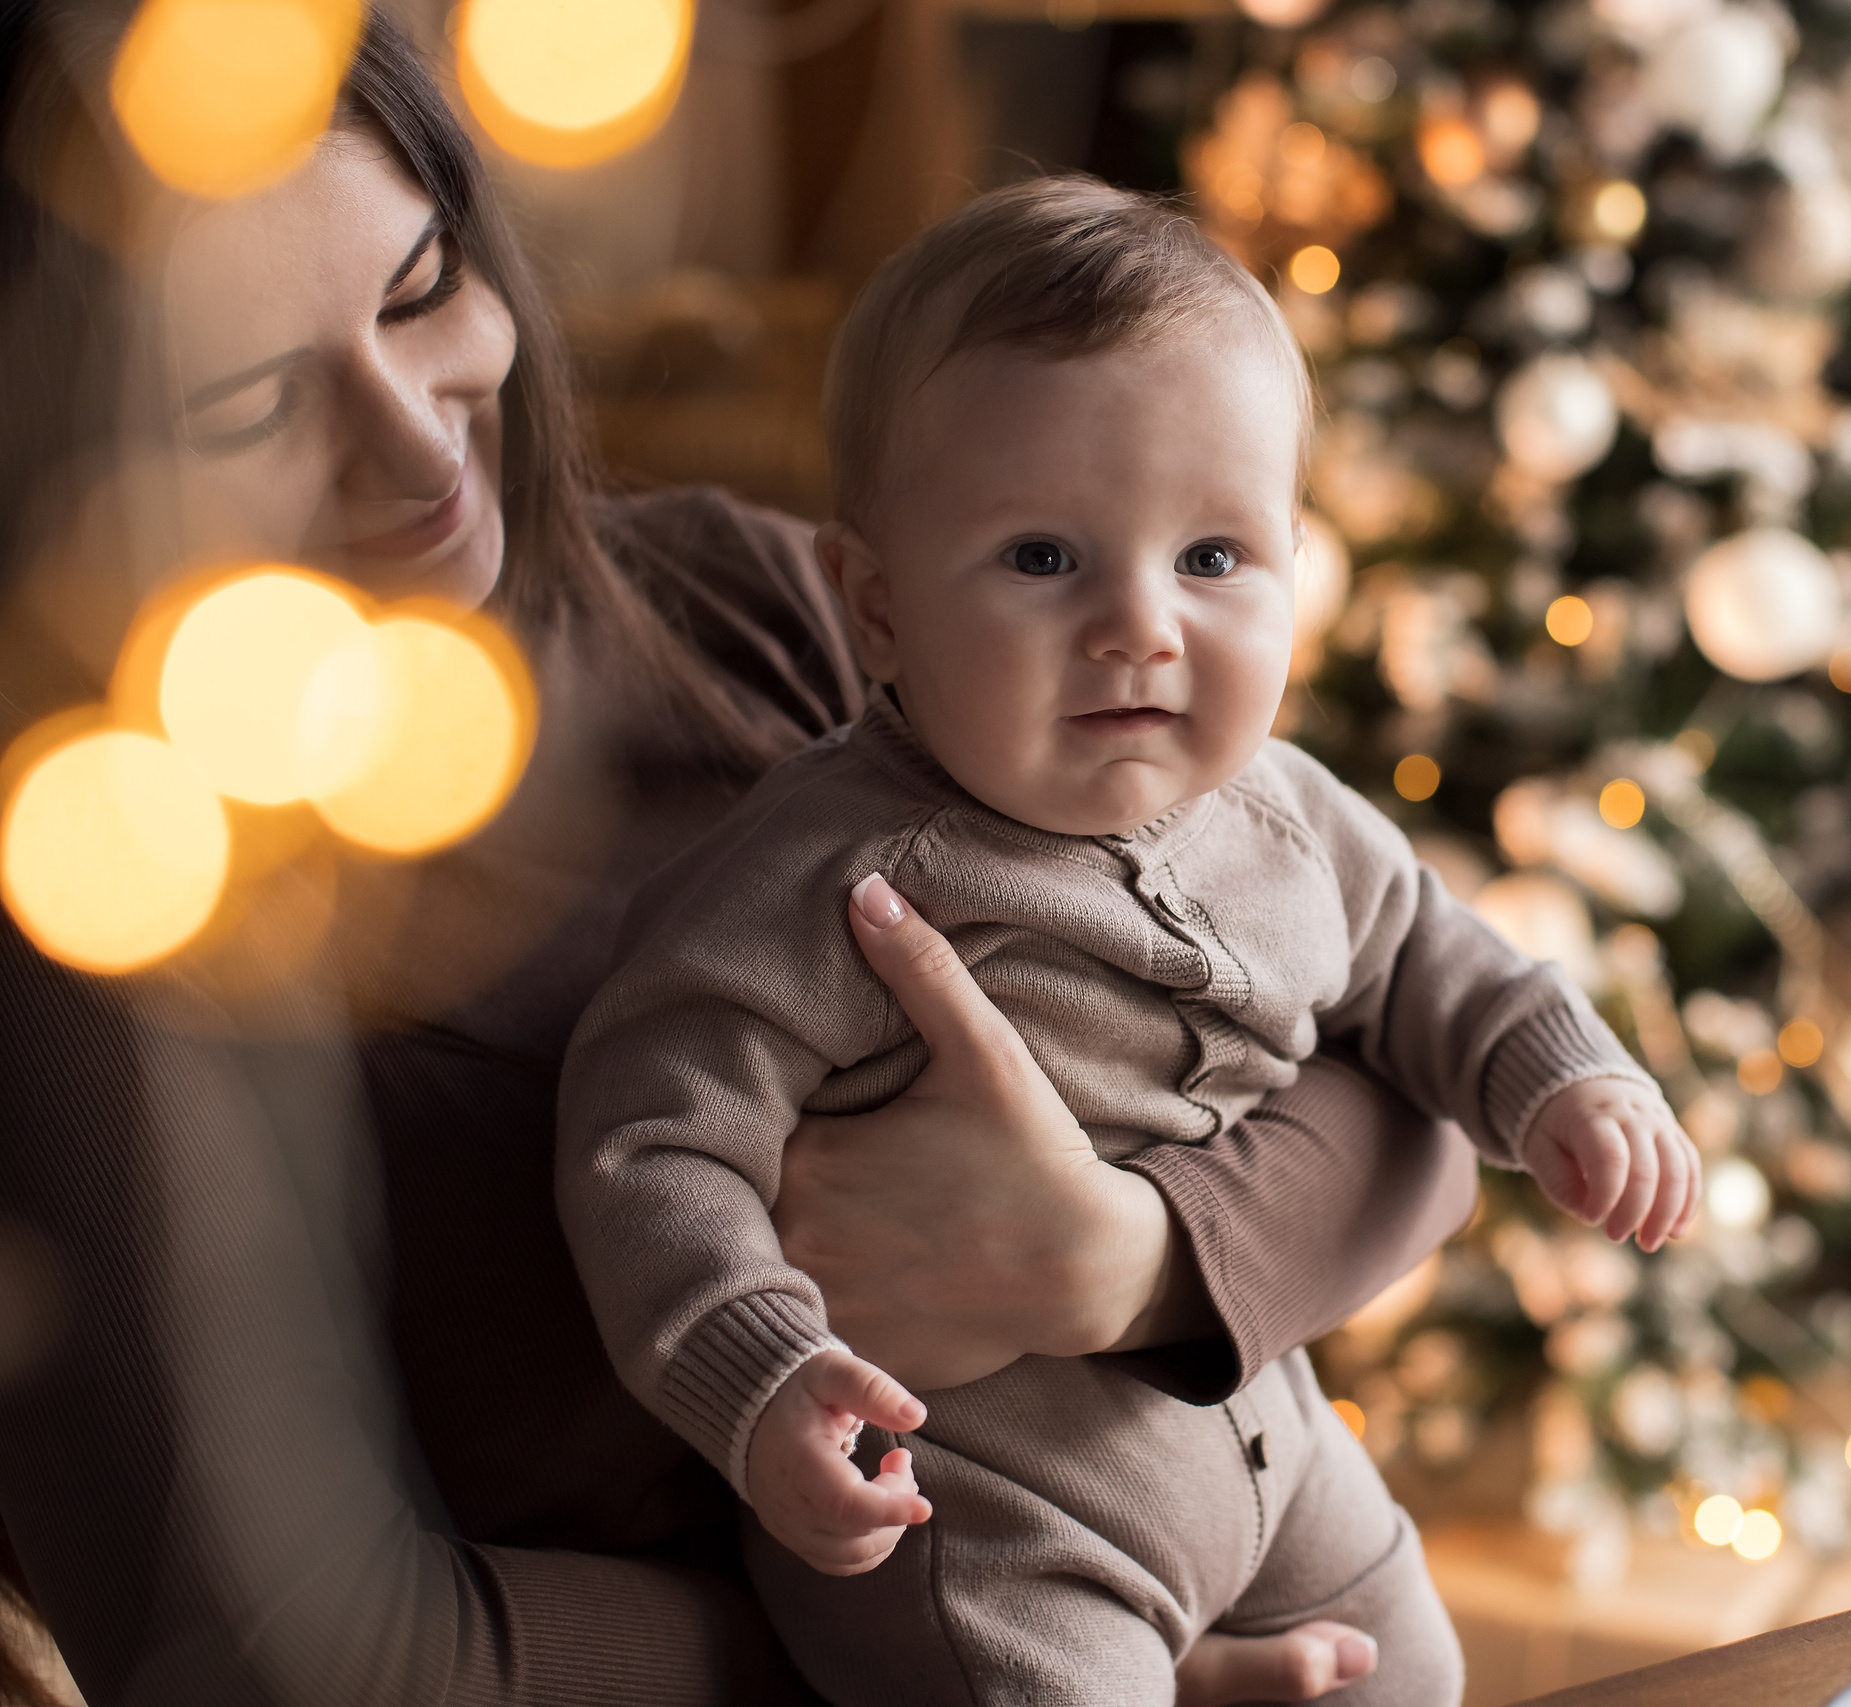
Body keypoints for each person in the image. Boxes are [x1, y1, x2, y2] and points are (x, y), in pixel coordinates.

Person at [0, 11, 1480, 1703]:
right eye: (249, 397)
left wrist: (1125, 1257)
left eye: (420, 293)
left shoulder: (751, 602)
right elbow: (293, 1670)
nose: (419, 447)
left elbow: (1403, 1070)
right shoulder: (100, 899)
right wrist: (995, 1652)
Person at [554, 179, 1705, 1707]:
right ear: (877, 608)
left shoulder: (1289, 816)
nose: (1140, 627)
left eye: (1215, 558)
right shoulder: (830, 878)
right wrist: (762, 1380)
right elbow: (650, 1141)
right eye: (1044, 559)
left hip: (1268, 1452)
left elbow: (1426, 956)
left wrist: (1564, 1084)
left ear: (1299, 560)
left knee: (1410, 1671)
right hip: (986, 1530)